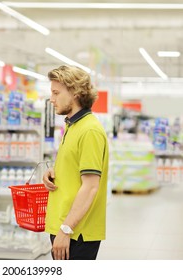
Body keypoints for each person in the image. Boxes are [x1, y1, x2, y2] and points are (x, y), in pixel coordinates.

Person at [42, 65, 109, 260]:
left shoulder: (89, 131)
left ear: (75, 93)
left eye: (56, 93)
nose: (51, 99)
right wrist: (55, 171)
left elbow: (90, 187)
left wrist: (65, 229)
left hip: (76, 231)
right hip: (65, 223)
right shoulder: (73, 125)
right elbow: (77, 167)